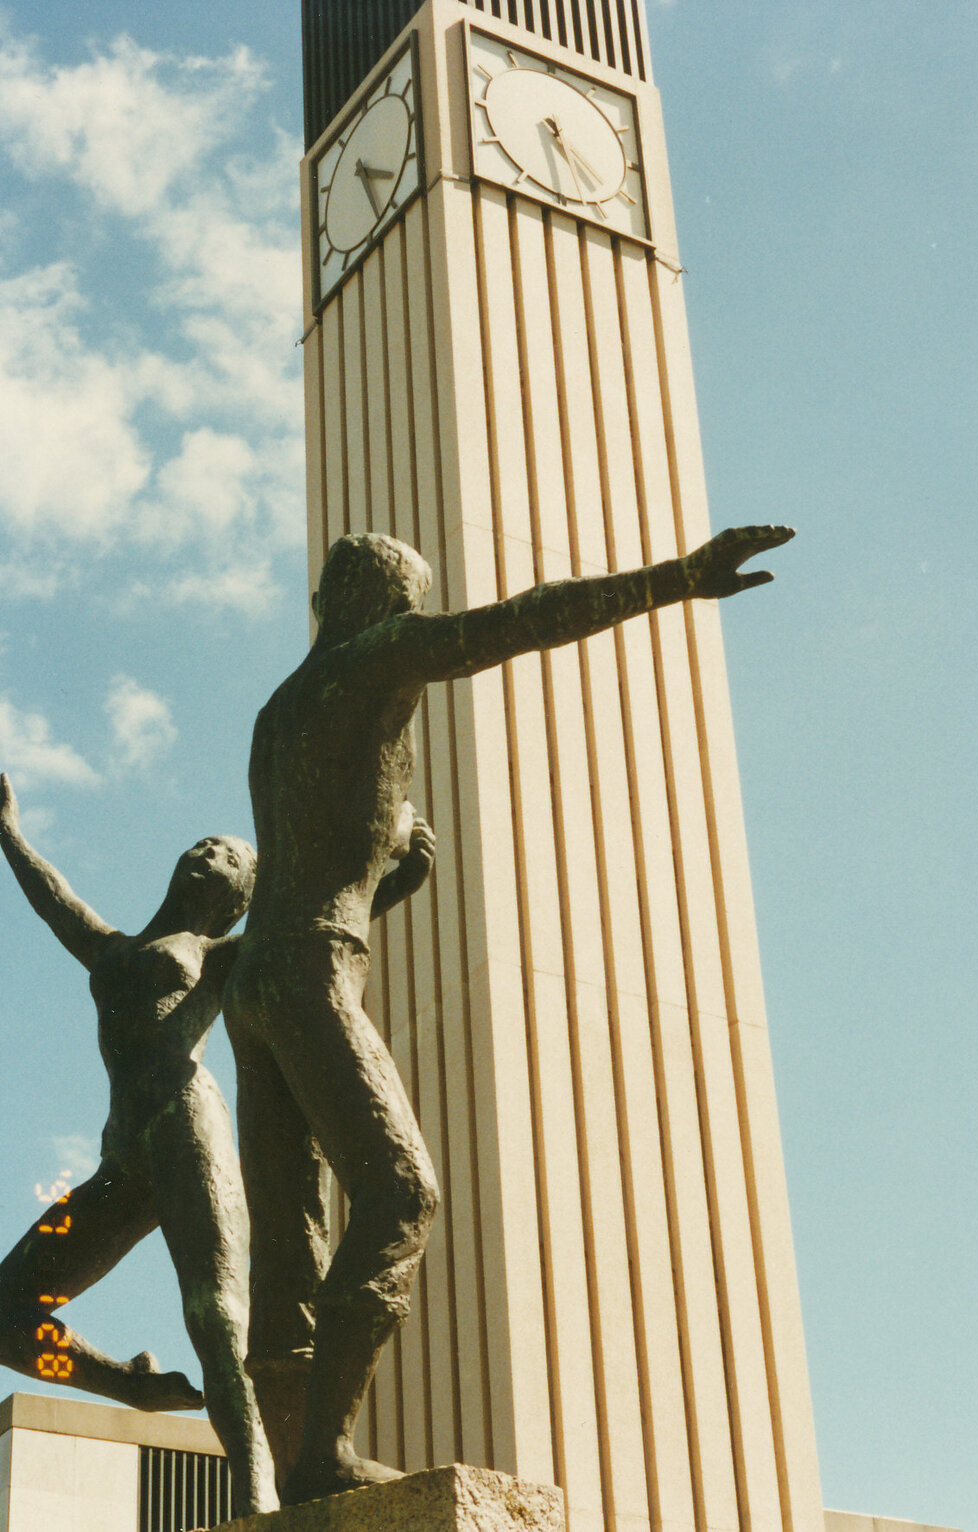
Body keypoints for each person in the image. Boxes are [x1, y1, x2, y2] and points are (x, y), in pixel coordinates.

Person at [222, 521, 794, 1506]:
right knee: (401, 1195)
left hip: (259, 976)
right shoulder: (379, 654)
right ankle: (320, 1454)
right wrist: (674, 578)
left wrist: (387, 885)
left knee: (291, 1237)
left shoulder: (278, 710)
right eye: (409, 605)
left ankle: (296, 1471)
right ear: (386, 606)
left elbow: (312, 864)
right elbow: (515, 623)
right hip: (310, 966)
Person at [0, 779, 278, 1516]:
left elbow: (303, 926)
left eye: (227, 856)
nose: (207, 852)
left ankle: (258, 1495)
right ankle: (128, 1384)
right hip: (123, 1159)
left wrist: (389, 880)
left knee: (216, 1316)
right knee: (6, 1314)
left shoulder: (216, 953)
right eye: (203, 843)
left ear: (236, 897)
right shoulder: (112, 948)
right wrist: (9, 832)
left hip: (189, 1130)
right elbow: (54, 900)